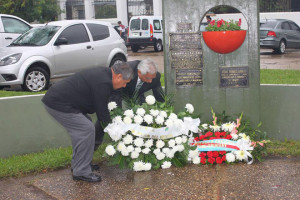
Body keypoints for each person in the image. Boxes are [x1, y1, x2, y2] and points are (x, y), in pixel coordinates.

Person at [42, 63, 133, 182]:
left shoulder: (104, 75)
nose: (124, 86)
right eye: (125, 82)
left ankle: (80, 164)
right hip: (58, 102)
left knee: (85, 126)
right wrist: (115, 131)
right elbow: (102, 112)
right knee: (86, 129)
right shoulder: (103, 82)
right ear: (119, 76)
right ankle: (81, 171)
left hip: (61, 101)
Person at [94, 58, 164, 151]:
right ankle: (93, 146)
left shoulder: (155, 77)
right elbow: (115, 93)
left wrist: (164, 112)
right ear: (139, 72)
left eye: (152, 78)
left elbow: (160, 97)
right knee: (106, 117)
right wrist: (116, 116)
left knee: (143, 116)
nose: (150, 81)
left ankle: (142, 146)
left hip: (137, 94)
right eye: (148, 78)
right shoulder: (125, 70)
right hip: (117, 90)